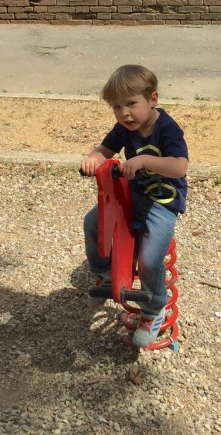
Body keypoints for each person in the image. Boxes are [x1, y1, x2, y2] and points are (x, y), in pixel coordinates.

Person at [80, 64, 188, 347]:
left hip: (162, 202)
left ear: (153, 99)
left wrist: (143, 161)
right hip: (132, 196)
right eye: (116, 107)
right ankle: (105, 273)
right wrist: (93, 159)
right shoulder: (123, 129)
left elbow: (179, 166)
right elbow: (103, 150)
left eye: (130, 104)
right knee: (92, 223)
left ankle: (153, 308)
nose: (124, 113)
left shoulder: (167, 129)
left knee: (149, 260)